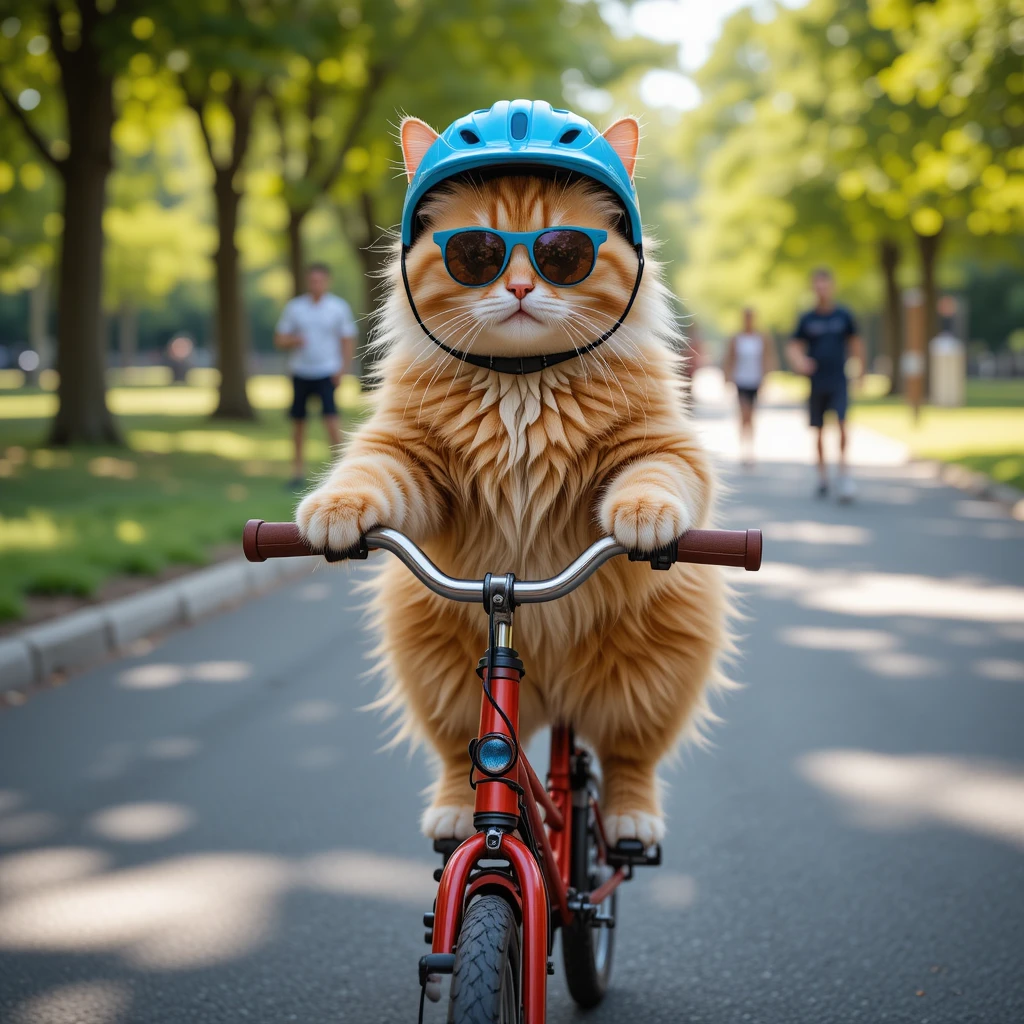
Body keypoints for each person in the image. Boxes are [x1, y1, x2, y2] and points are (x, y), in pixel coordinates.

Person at [274, 263, 357, 488]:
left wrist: (342, 370)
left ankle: (342, 473)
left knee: (331, 421)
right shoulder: (295, 308)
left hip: (326, 372)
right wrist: (294, 340)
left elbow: (347, 340)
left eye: (320, 280)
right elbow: (280, 338)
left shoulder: (338, 308)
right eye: (312, 280)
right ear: (307, 282)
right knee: (298, 424)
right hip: (301, 372)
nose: (316, 284)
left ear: (327, 282)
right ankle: (297, 473)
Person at [787, 268, 864, 502]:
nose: (821, 289)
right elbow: (793, 346)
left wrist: (861, 371)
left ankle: (843, 473)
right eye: (817, 285)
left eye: (825, 285)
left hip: (839, 380)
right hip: (817, 382)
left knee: (842, 424)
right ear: (813, 288)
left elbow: (856, 343)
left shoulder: (843, 315)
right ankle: (822, 477)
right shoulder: (807, 319)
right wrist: (801, 362)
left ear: (831, 287)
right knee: (818, 431)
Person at [723, 307, 777, 467]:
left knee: (752, 416)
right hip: (741, 380)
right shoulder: (737, 338)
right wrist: (727, 377)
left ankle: (750, 449)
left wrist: (766, 379)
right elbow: (729, 358)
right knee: (743, 414)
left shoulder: (761, 338)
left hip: (755, 381)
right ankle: (743, 450)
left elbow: (767, 358)